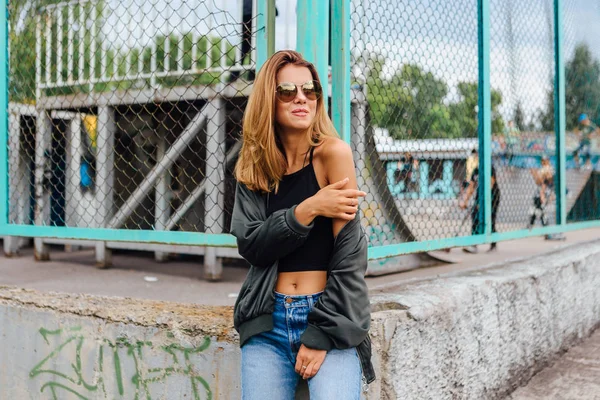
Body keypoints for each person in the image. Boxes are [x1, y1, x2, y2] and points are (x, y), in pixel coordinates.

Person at [230, 50, 375, 399]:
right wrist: (307, 209)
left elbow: (350, 256)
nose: (301, 98)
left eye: (310, 90)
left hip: (329, 314)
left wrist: (321, 332)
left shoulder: (333, 154)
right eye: (287, 91)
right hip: (267, 320)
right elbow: (252, 246)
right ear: (269, 99)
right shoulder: (253, 166)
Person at [459, 164, 501, 253]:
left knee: (490, 219)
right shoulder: (476, 170)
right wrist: (465, 201)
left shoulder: (489, 167)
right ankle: (474, 244)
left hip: (492, 196)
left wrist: (483, 202)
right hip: (480, 196)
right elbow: (471, 186)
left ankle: (493, 244)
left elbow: (491, 184)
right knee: (474, 216)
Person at [528, 156, 553, 231]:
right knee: (537, 209)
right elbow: (539, 181)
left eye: (544, 160)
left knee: (539, 209)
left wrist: (535, 174)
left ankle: (543, 227)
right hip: (540, 192)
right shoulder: (544, 169)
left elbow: (544, 182)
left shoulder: (548, 169)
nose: (543, 162)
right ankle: (533, 225)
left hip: (543, 192)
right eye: (542, 161)